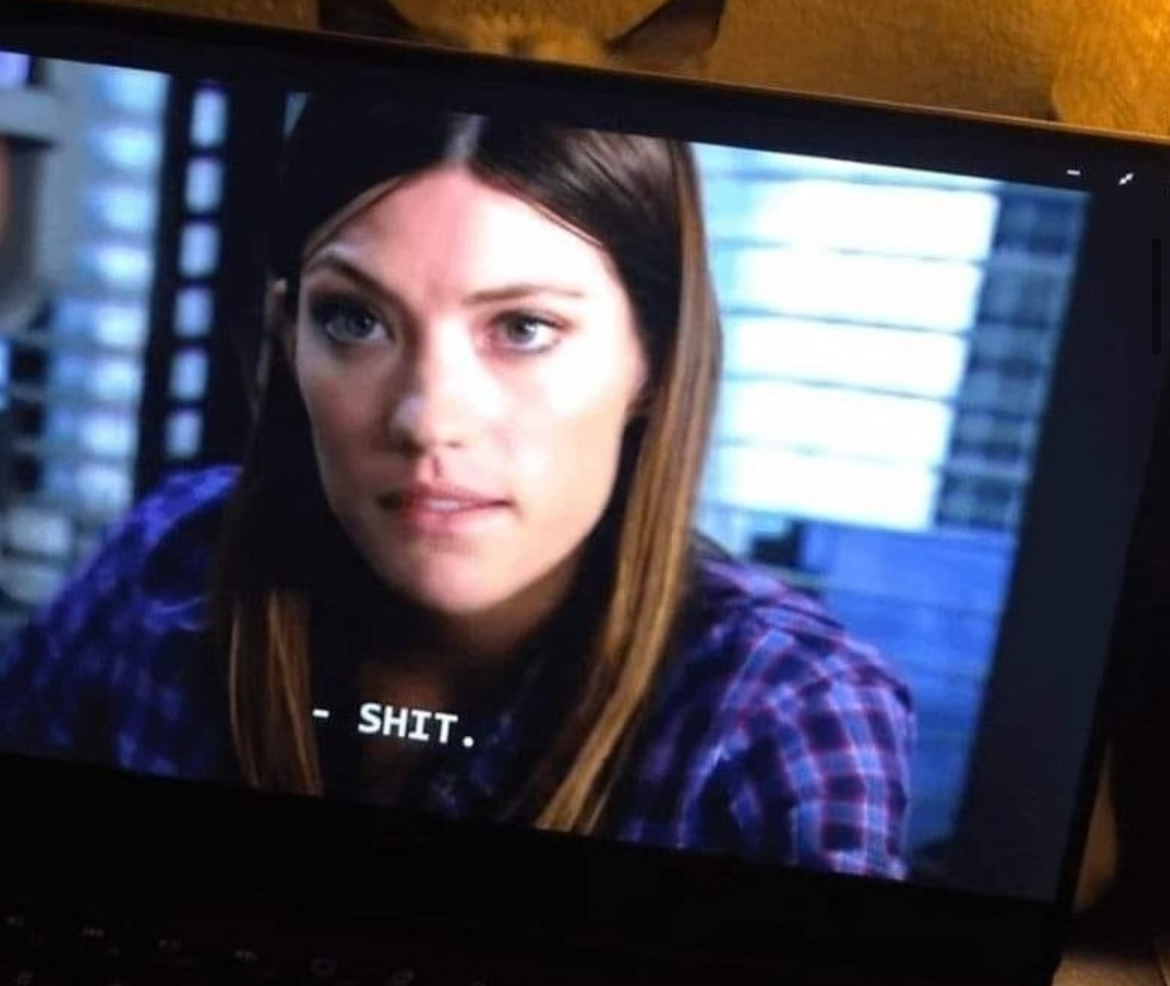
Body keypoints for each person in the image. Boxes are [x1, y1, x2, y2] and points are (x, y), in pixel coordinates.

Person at [0, 96, 913, 877]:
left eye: (523, 327)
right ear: (287, 338)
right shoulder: (171, 559)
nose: (427, 418)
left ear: (656, 361)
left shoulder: (779, 715)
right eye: (354, 319)